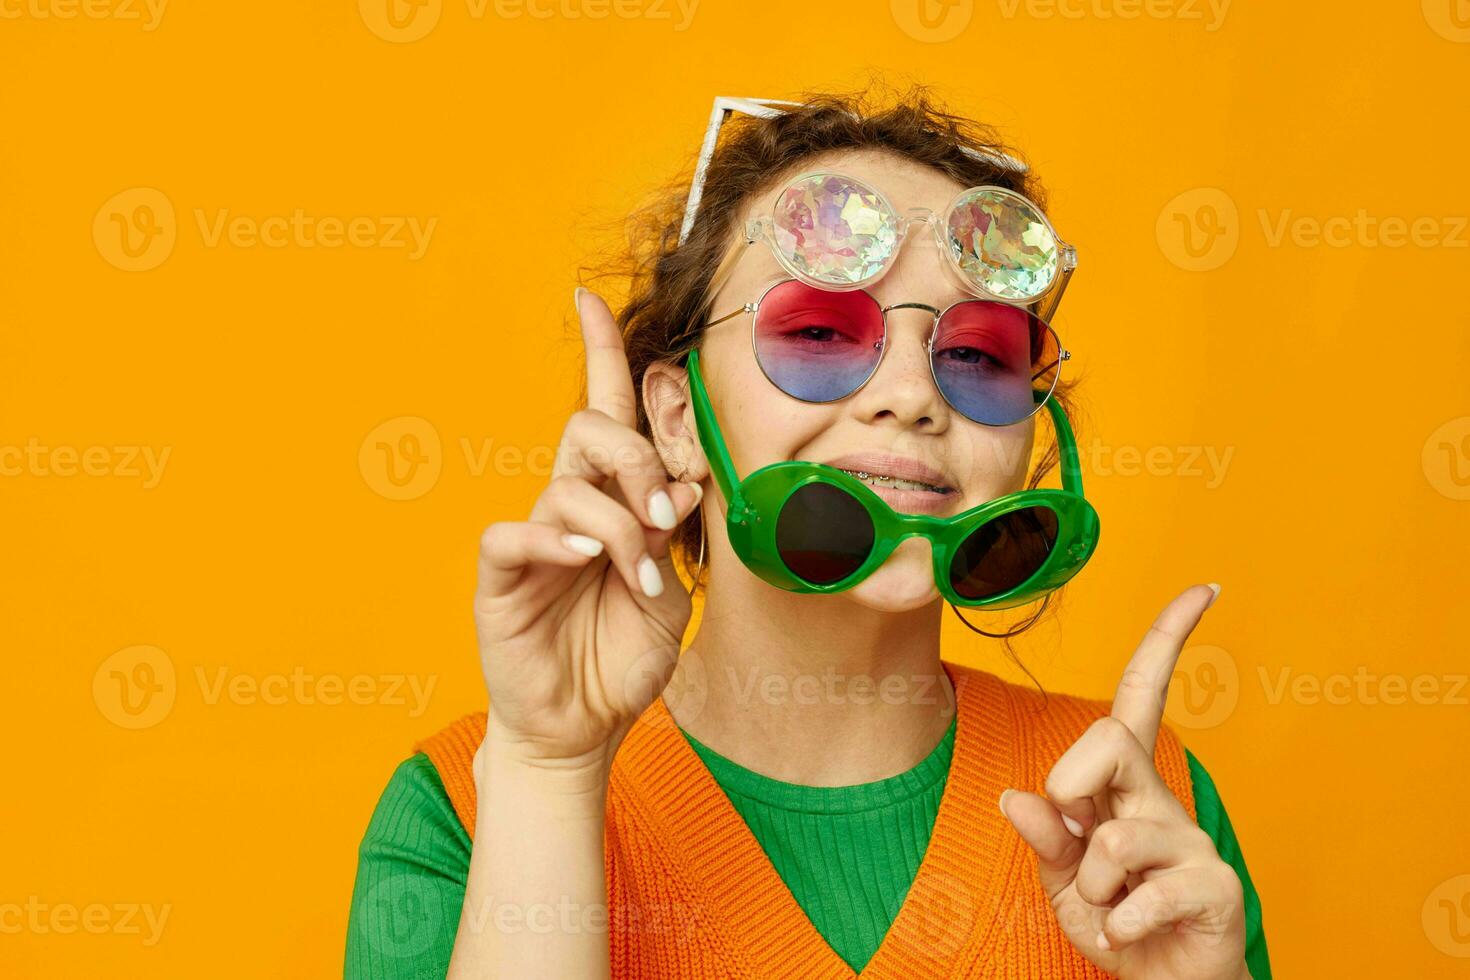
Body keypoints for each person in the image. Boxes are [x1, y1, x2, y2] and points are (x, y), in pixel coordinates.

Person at [344, 86, 1270, 979]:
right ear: (676, 419)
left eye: (980, 353)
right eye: (819, 332)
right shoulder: (465, 806)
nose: (912, 396)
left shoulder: (1145, 815)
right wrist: (550, 773)